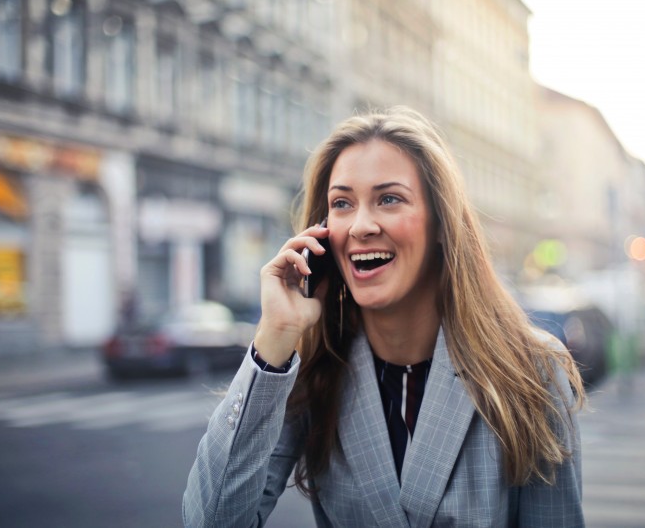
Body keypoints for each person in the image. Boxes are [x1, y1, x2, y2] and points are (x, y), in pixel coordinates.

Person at [183, 107, 585, 527]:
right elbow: (211, 520)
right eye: (341, 203)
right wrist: (275, 337)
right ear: (321, 231)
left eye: (388, 199)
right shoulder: (316, 371)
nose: (360, 225)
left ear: (441, 224)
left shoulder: (529, 369)